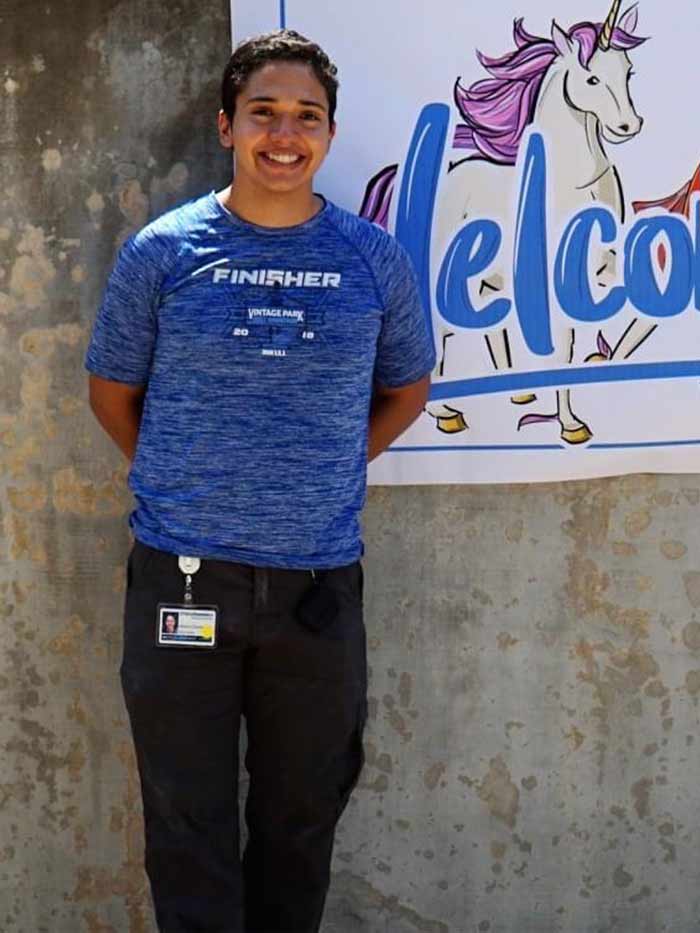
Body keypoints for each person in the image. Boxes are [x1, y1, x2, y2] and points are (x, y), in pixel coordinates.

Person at [86, 28, 434, 933]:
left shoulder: (371, 260)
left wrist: (328, 465)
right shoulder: (164, 252)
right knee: (186, 821)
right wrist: (178, 477)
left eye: (306, 116)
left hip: (317, 588)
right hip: (182, 579)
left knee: (300, 819)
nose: (285, 133)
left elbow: (408, 386)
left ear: (328, 133)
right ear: (226, 126)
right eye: (264, 113)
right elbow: (111, 390)